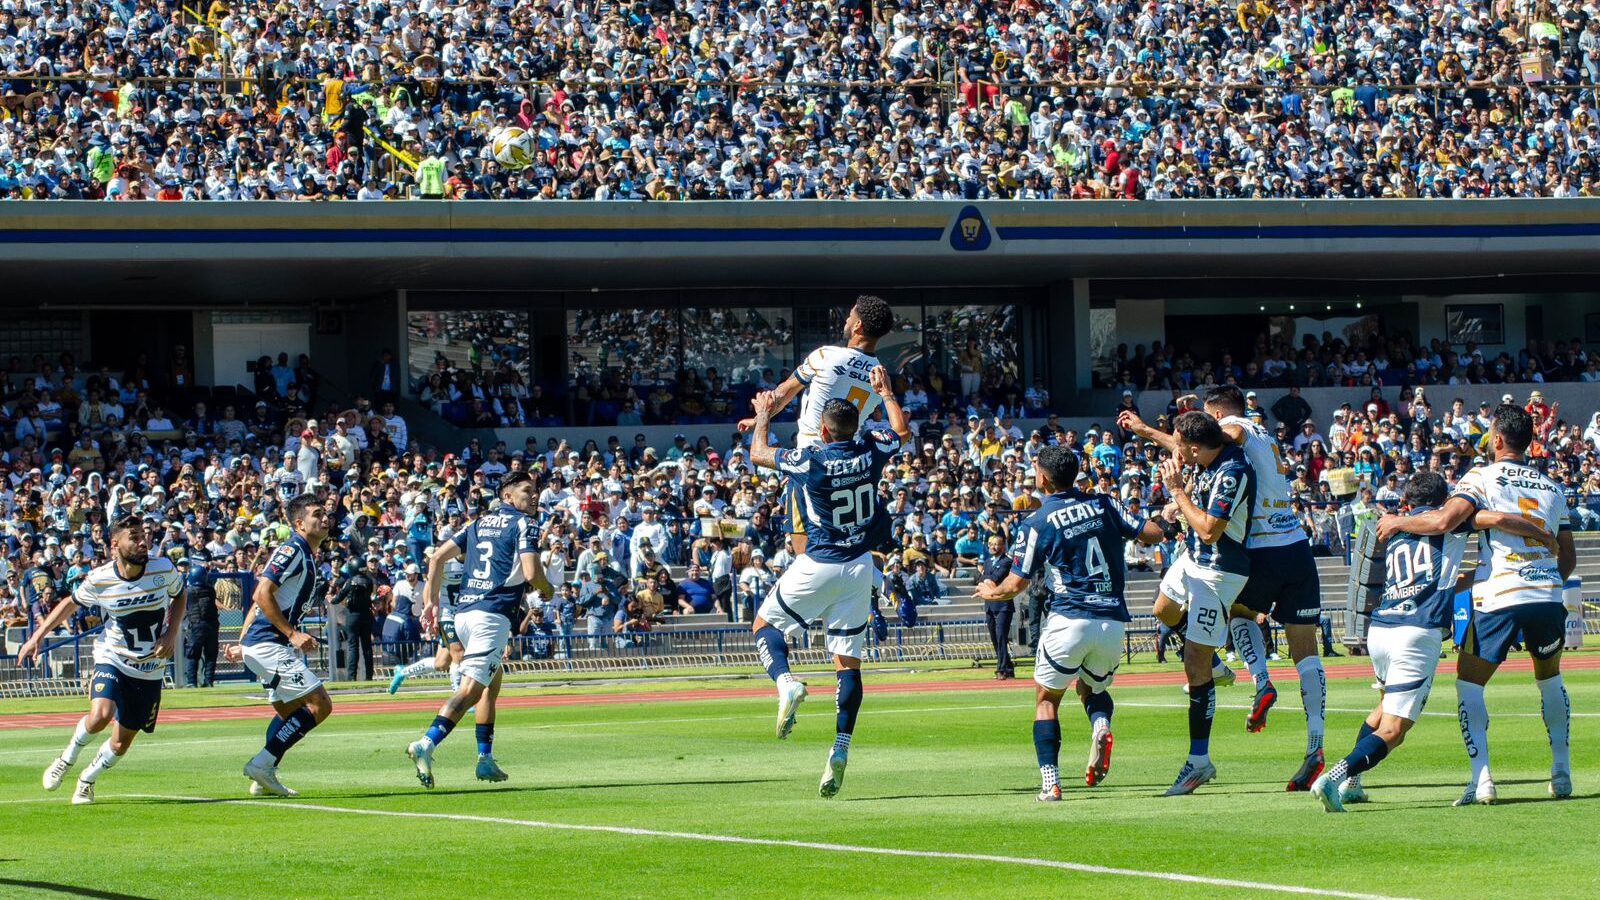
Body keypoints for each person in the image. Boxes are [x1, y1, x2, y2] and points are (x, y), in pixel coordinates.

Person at [1127, 384, 1330, 790]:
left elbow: (1209, 441)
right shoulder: (1265, 436)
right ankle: (1315, 745)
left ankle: (1259, 680)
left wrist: (1150, 433)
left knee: (1234, 614)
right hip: (1296, 546)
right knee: (1306, 653)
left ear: (1217, 413)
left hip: (1261, 550)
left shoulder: (1234, 429)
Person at [1375, 404, 1578, 805]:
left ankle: (1481, 780)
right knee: (1550, 680)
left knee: (1469, 684)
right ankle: (1562, 771)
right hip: (1546, 594)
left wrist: (1396, 522)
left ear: (1497, 439)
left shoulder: (1482, 476)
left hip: (1500, 595)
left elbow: (1442, 522)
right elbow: (1567, 559)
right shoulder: (1553, 487)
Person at [1312, 472, 1551, 812]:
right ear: (1444, 502)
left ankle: (1353, 784)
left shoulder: (1398, 529)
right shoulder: (1448, 522)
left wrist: (1474, 578)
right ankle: (1334, 777)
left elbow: (1436, 580)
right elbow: (1497, 518)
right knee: (1395, 730)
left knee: (1382, 710)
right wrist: (1544, 535)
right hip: (1416, 632)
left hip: (1381, 629)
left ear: (1408, 501)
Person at [746, 364, 909, 799]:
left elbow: (759, 454)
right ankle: (840, 747)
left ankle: (786, 683)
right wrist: (886, 392)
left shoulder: (812, 458)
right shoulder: (874, 447)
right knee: (848, 664)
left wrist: (764, 412)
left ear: (821, 428)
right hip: (858, 567)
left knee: (765, 627)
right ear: (857, 425)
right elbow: (901, 431)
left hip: (818, 561)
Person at [976, 446, 1169, 801]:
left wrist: (990, 591)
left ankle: (1050, 783)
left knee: (1046, 699)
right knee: (1091, 689)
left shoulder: (1036, 522)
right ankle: (1101, 725)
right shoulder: (1105, 504)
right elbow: (1154, 534)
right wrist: (1169, 514)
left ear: (1044, 479)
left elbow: (1014, 586)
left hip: (1069, 617)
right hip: (1112, 621)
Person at [18, 517, 186, 805]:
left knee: (121, 743)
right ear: (114, 546)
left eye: (144, 535)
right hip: (113, 657)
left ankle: (87, 779)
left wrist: (171, 635)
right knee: (100, 715)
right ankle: (66, 758)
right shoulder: (100, 578)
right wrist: (37, 637)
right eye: (133, 537)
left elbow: (180, 594)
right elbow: (70, 604)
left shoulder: (163, 568)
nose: (142, 541)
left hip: (149, 668)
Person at [405, 472, 553, 789]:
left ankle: (485, 760)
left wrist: (431, 603)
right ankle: (426, 744)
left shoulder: (476, 524)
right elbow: (531, 572)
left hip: (464, 614)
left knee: (491, 682)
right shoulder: (525, 524)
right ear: (508, 497)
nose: (534, 495)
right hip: (492, 616)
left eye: (535, 490)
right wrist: (549, 589)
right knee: (471, 689)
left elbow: (436, 560)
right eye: (527, 490)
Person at [738, 294, 894, 556]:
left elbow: (785, 392)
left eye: (850, 314)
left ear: (857, 326)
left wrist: (761, 416)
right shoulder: (880, 373)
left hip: (812, 460)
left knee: (804, 545)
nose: (846, 318)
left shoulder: (826, 355)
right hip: (849, 461)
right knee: (845, 543)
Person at [1149, 412, 1254, 796]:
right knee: (1163, 609)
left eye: (1182, 447)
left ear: (1196, 447)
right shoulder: (1206, 456)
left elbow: (1210, 531)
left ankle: (1198, 761)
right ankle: (1214, 662)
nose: (1178, 451)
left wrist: (1178, 493)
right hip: (1193, 560)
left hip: (1219, 571)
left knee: (1193, 662)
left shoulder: (1232, 471)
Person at [231, 495, 335, 797]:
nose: (325, 518)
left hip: (263, 644)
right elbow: (261, 593)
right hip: (270, 644)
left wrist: (242, 643)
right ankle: (262, 765)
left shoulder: (304, 553)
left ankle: (263, 777)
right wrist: (291, 634)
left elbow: (262, 601)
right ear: (299, 523)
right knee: (320, 705)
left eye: (326, 513)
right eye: (317, 514)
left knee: (288, 713)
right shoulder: (293, 549)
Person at [389, 544, 466, 693]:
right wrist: (430, 609)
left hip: (464, 615)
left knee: (441, 664)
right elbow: (429, 587)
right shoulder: (446, 562)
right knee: (459, 653)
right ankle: (459, 697)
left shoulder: (476, 562)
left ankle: (402, 672)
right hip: (447, 615)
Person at [181, 551, 220, 687]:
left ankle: (192, 682)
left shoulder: (189, 592)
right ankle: (209, 681)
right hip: (212, 625)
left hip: (196, 626)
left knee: (193, 655)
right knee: (211, 655)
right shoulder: (210, 591)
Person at [979, 535, 1015, 679]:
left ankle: (1002, 669)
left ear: (1003, 546)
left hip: (1003, 606)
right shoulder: (987, 562)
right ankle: (1008, 666)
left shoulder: (1007, 561)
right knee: (995, 638)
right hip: (989, 605)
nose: (993, 547)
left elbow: (995, 577)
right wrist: (986, 578)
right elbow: (981, 579)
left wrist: (986, 577)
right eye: (991, 544)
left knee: (1001, 637)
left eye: (996, 544)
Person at [334, 561, 376, 681]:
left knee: (353, 646)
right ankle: (369, 677)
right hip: (366, 615)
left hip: (353, 615)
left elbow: (340, 597)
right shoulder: (369, 581)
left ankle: (351, 677)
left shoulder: (350, 581)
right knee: (367, 647)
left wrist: (332, 600)